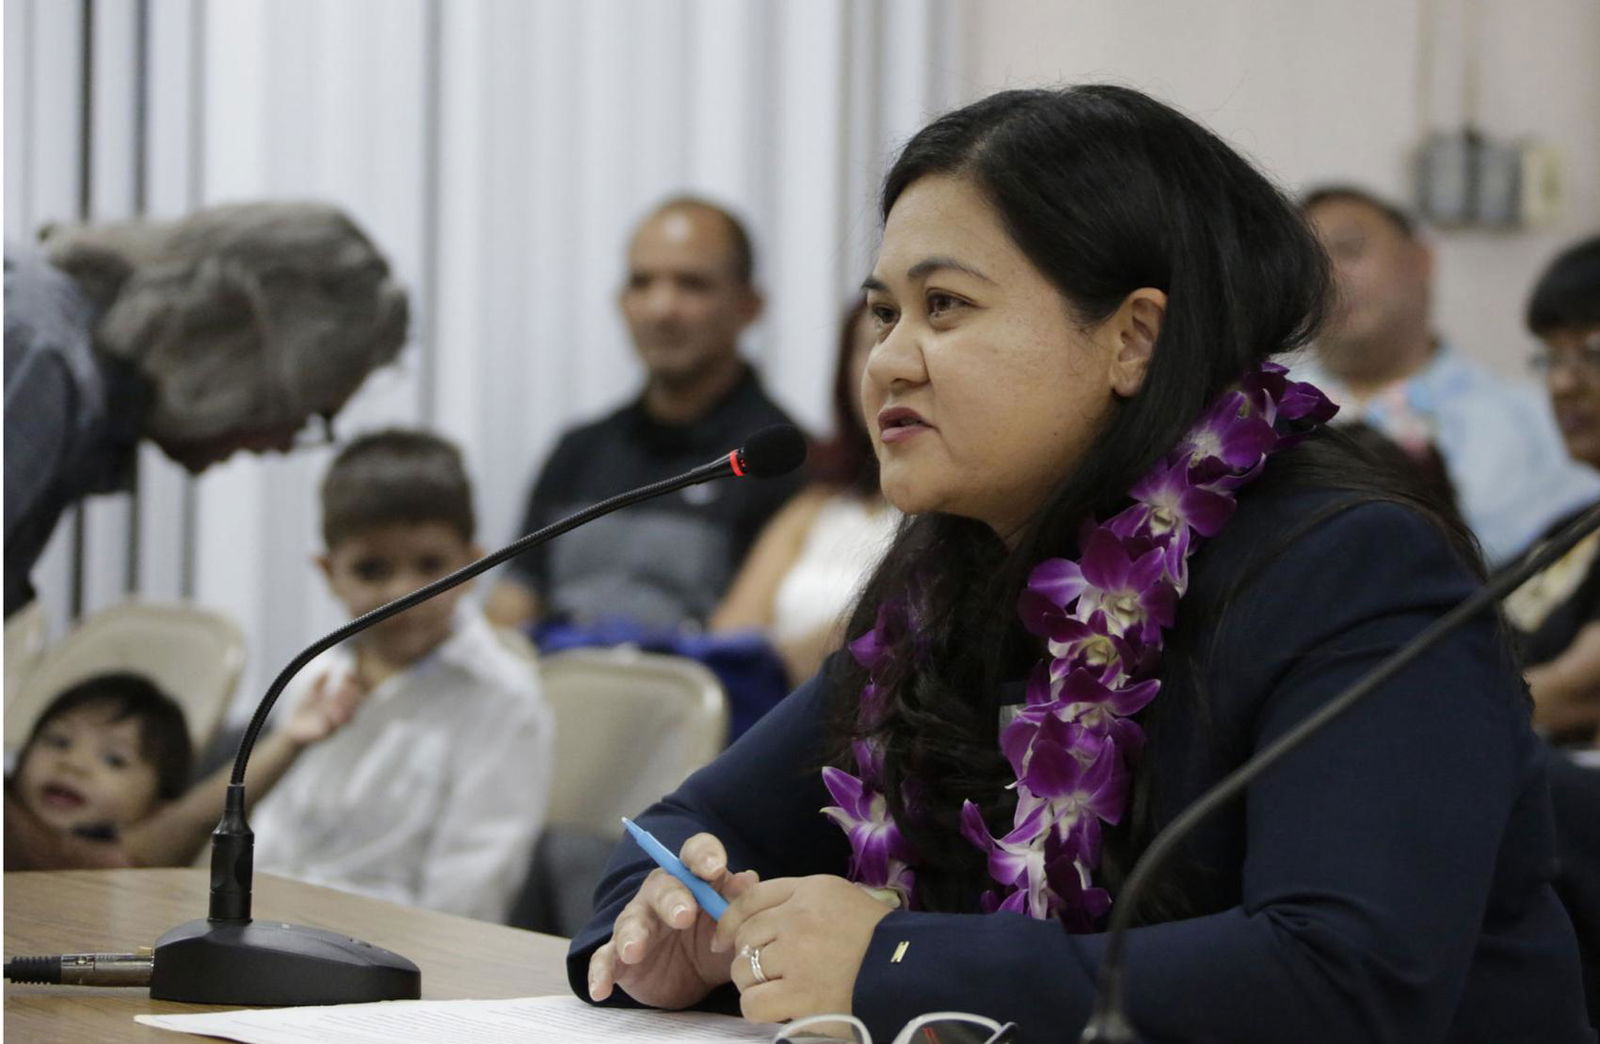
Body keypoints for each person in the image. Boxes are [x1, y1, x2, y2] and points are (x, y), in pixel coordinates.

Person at [568, 86, 1594, 1042]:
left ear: (1131, 338)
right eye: (883, 311)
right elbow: (687, 827)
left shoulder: (1350, 565)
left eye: (946, 308)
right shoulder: (948, 577)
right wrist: (668, 927)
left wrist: (898, 961)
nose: (888, 357)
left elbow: (1347, 973)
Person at [4, 202, 409, 618]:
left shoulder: (48, 346)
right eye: (306, 415)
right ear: (238, 355)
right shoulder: (39, 359)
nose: (286, 445)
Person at [249, 430, 552, 922]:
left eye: (431, 566)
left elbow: (468, 901)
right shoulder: (313, 677)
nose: (404, 591)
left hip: (397, 969)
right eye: (372, 570)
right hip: (272, 935)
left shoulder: (505, 698)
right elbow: (269, 850)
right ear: (329, 572)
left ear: (473, 564)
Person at [485, 197, 805, 634]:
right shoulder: (578, 451)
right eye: (642, 283)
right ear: (621, 301)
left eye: (692, 284)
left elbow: (757, 648)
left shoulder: (780, 462)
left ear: (749, 305)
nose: (661, 308)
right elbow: (513, 602)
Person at [1293, 185, 1600, 566]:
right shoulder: (1258, 420)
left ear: (1421, 259)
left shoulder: (1543, 420)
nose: (1329, 276)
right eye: (1308, 262)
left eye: (1349, 249)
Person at [1503, 234, 1600, 1028]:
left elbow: (1574, 690)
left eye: (1593, 354)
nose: (1566, 385)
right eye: (1550, 359)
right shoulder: (1567, 529)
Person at [4, 670, 363, 870]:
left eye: (114, 759)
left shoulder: (124, 856)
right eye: (57, 741)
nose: (73, 764)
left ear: (158, 805)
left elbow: (199, 815)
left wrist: (289, 741)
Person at [710, 301, 898, 684]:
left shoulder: (955, 511)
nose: (885, 368)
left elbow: (895, 633)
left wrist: (784, 658)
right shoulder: (817, 502)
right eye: (870, 346)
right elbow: (727, 641)